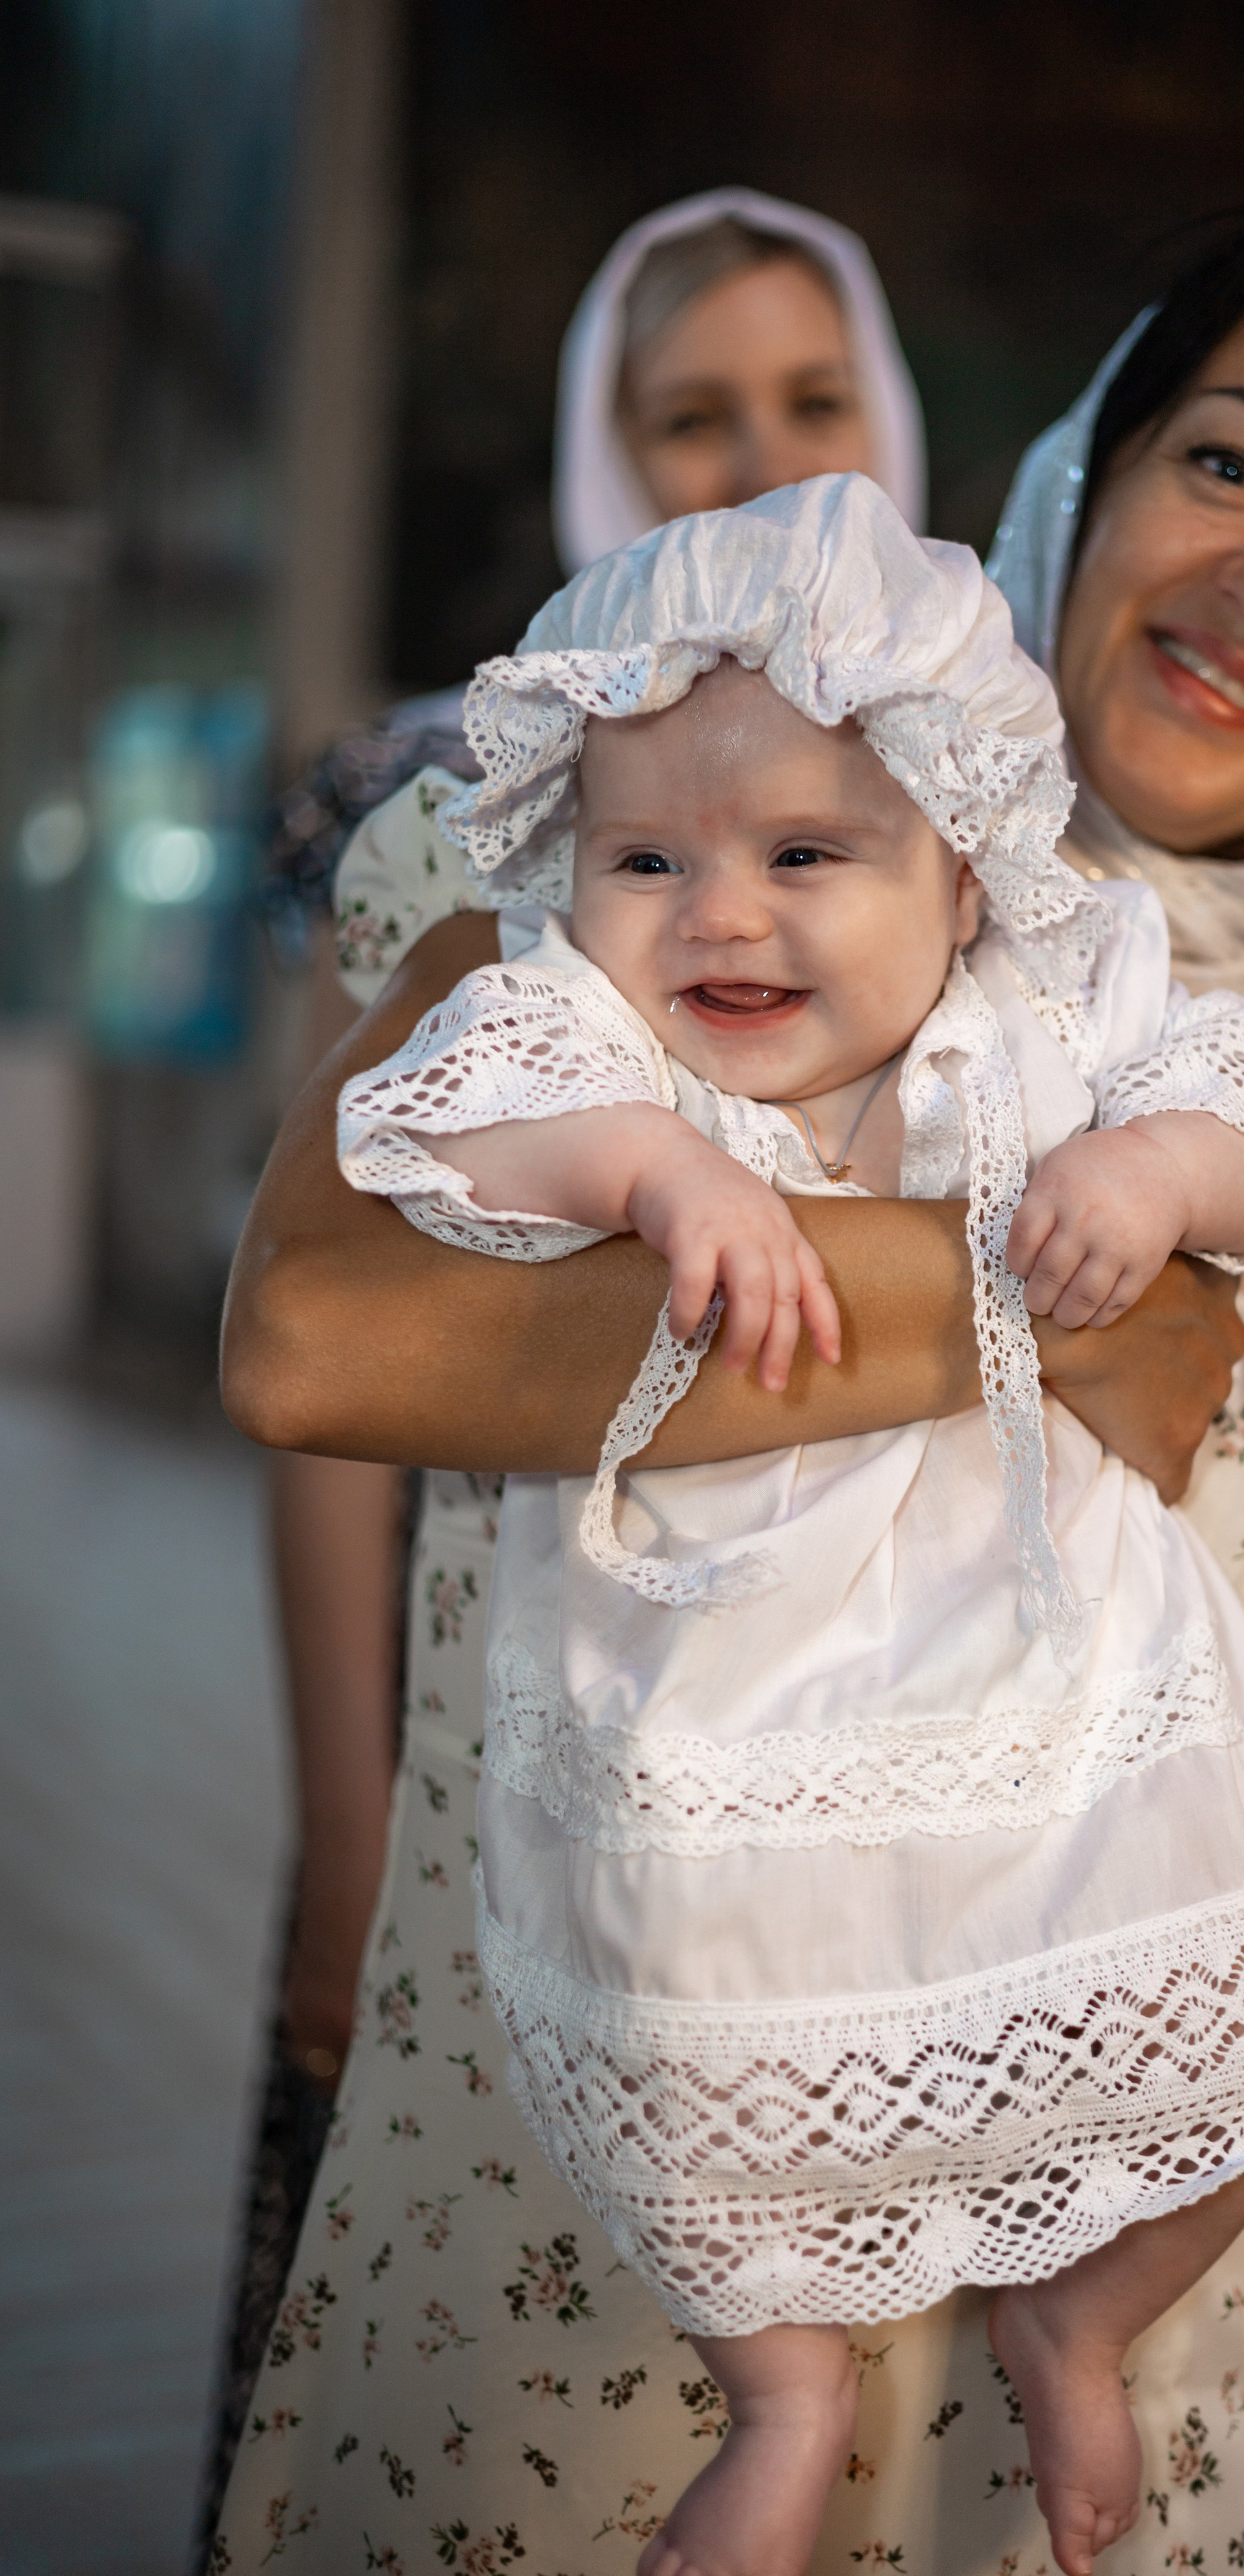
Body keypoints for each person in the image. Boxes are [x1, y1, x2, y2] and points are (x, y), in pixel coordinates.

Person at [213, 207, 1244, 2573]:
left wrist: (1106, 1920)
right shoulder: (627, 849)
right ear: (1087, 467)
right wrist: (1036, 1310)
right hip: (563, 2312)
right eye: (1233, 463)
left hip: (1105, 2399)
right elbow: (312, 1333)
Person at [333, 474, 1244, 2576]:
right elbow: (445, 1113)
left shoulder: (1055, 1007)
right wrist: (659, 1171)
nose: (720, 916)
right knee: (697, 2051)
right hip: (721, 1702)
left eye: (807, 855)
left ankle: (1078, 2324)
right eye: (650, 857)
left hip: (1046, 1681)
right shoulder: (600, 1035)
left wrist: (1159, 1184)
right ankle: (785, 2393)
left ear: (967, 866)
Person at [199, 188, 927, 2540]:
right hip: (515, 1684)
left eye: (809, 401)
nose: (754, 455)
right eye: (685, 412)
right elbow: (329, 1340)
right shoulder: (460, 793)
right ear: (600, 449)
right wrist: (340, 1825)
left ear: (887, 421)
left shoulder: (952, 781)